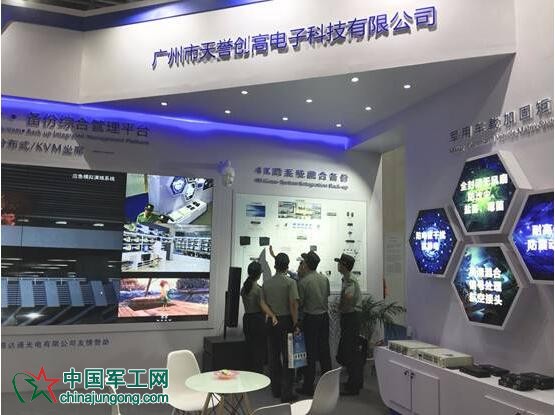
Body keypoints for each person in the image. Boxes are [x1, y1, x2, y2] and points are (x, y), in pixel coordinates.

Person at [262, 253, 299, 403]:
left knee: (273, 356)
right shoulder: (291, 283)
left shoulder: (267, 284)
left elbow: (262, 303)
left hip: (272, 322)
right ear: (287, 266)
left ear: (275, 265)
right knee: (288, 358)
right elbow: (293, 305)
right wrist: (296, 323)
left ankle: (275, 390)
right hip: (286, 322)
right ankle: (287, 392)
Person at [296, 250, 331, 396]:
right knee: (324, 351)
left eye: (303, 262)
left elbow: (300, 303)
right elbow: (327, 295)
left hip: (311, 318)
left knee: (309, 353)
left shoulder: (303, 282)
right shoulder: (324, 279)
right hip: (324, 317)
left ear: (306, 264)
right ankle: (328, 385)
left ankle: (308, 386)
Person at [241, 261, 278, 374]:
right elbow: (262, 306)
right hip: (257, 320)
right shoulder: (258, 289)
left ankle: (249, 373)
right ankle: (258, 374)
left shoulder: (244, 288)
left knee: (249, 348)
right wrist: (272, 314)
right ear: (258, 274)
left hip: (247, 319)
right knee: (259, 350)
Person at [335, 253, 363, 396]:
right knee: (349, 350)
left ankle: (354, 386)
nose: (338, 265)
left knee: (351, 351)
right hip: (349, 316)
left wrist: (341, 307)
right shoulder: (346, 278)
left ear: (344, 266)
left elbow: (349, 296)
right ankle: (354, 381)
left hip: (351, 317)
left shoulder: (350, 280)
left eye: (339, 263)